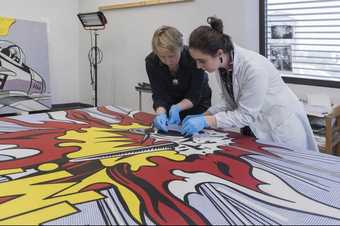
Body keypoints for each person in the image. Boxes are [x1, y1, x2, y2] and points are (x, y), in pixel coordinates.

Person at [182, 16, 318, 152]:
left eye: (202, 61)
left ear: (219, 53)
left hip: (279, 130)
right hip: (256, 128)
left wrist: (208, 121)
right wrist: (204, 115)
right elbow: (229, 103)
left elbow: (245, 115)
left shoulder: (253, 68)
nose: (198, 66)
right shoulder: (223, 66)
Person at [145, 26, 212, 132]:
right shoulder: (151, 62)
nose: (168, 61)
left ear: (180, 48)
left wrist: (177, 108)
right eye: (162, 56)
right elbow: (159, 94)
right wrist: (161, 113)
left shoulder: (193, 58)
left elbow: (194, 95)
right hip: (171, 106)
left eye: (172, 56)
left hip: (197, 105)